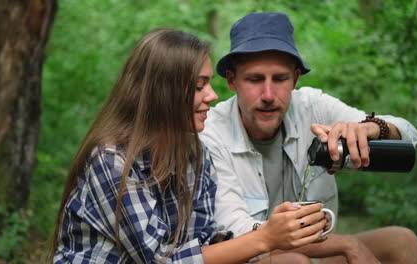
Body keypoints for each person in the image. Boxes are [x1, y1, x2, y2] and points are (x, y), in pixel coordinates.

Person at [51, 28, 330, 263]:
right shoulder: (112, 159)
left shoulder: (195, 155)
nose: (212, 95)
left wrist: (271, 232)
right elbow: (159, 259)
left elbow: (202, 241)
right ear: (163, 92)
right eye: (199, 86)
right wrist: (265, 237)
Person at [200, 12, 417, 263]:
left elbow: (413, 142)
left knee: (401, 241)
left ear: (295, 78)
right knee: (294, 262)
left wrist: (373, 129)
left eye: (280, 79)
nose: (267, 94)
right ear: (232, 81)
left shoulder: (313, 106)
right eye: (254, 79)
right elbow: (237, 232)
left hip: (316, 253)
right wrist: (347, 244)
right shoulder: (211, 133)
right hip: (252, 256)